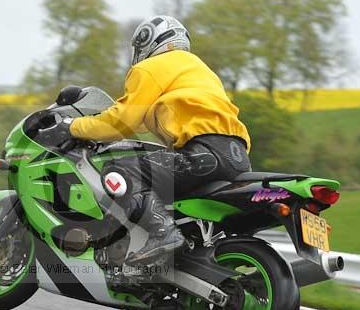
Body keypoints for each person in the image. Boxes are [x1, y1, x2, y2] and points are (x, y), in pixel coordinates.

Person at [60, 15, 253, 266]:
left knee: (121, 169)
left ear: (147, 40)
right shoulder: (199, 70)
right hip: (236, 158)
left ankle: (163, 235)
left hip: (202, 153)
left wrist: (73, 126)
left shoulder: (150, 67)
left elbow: (120, 122)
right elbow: (139, 121)